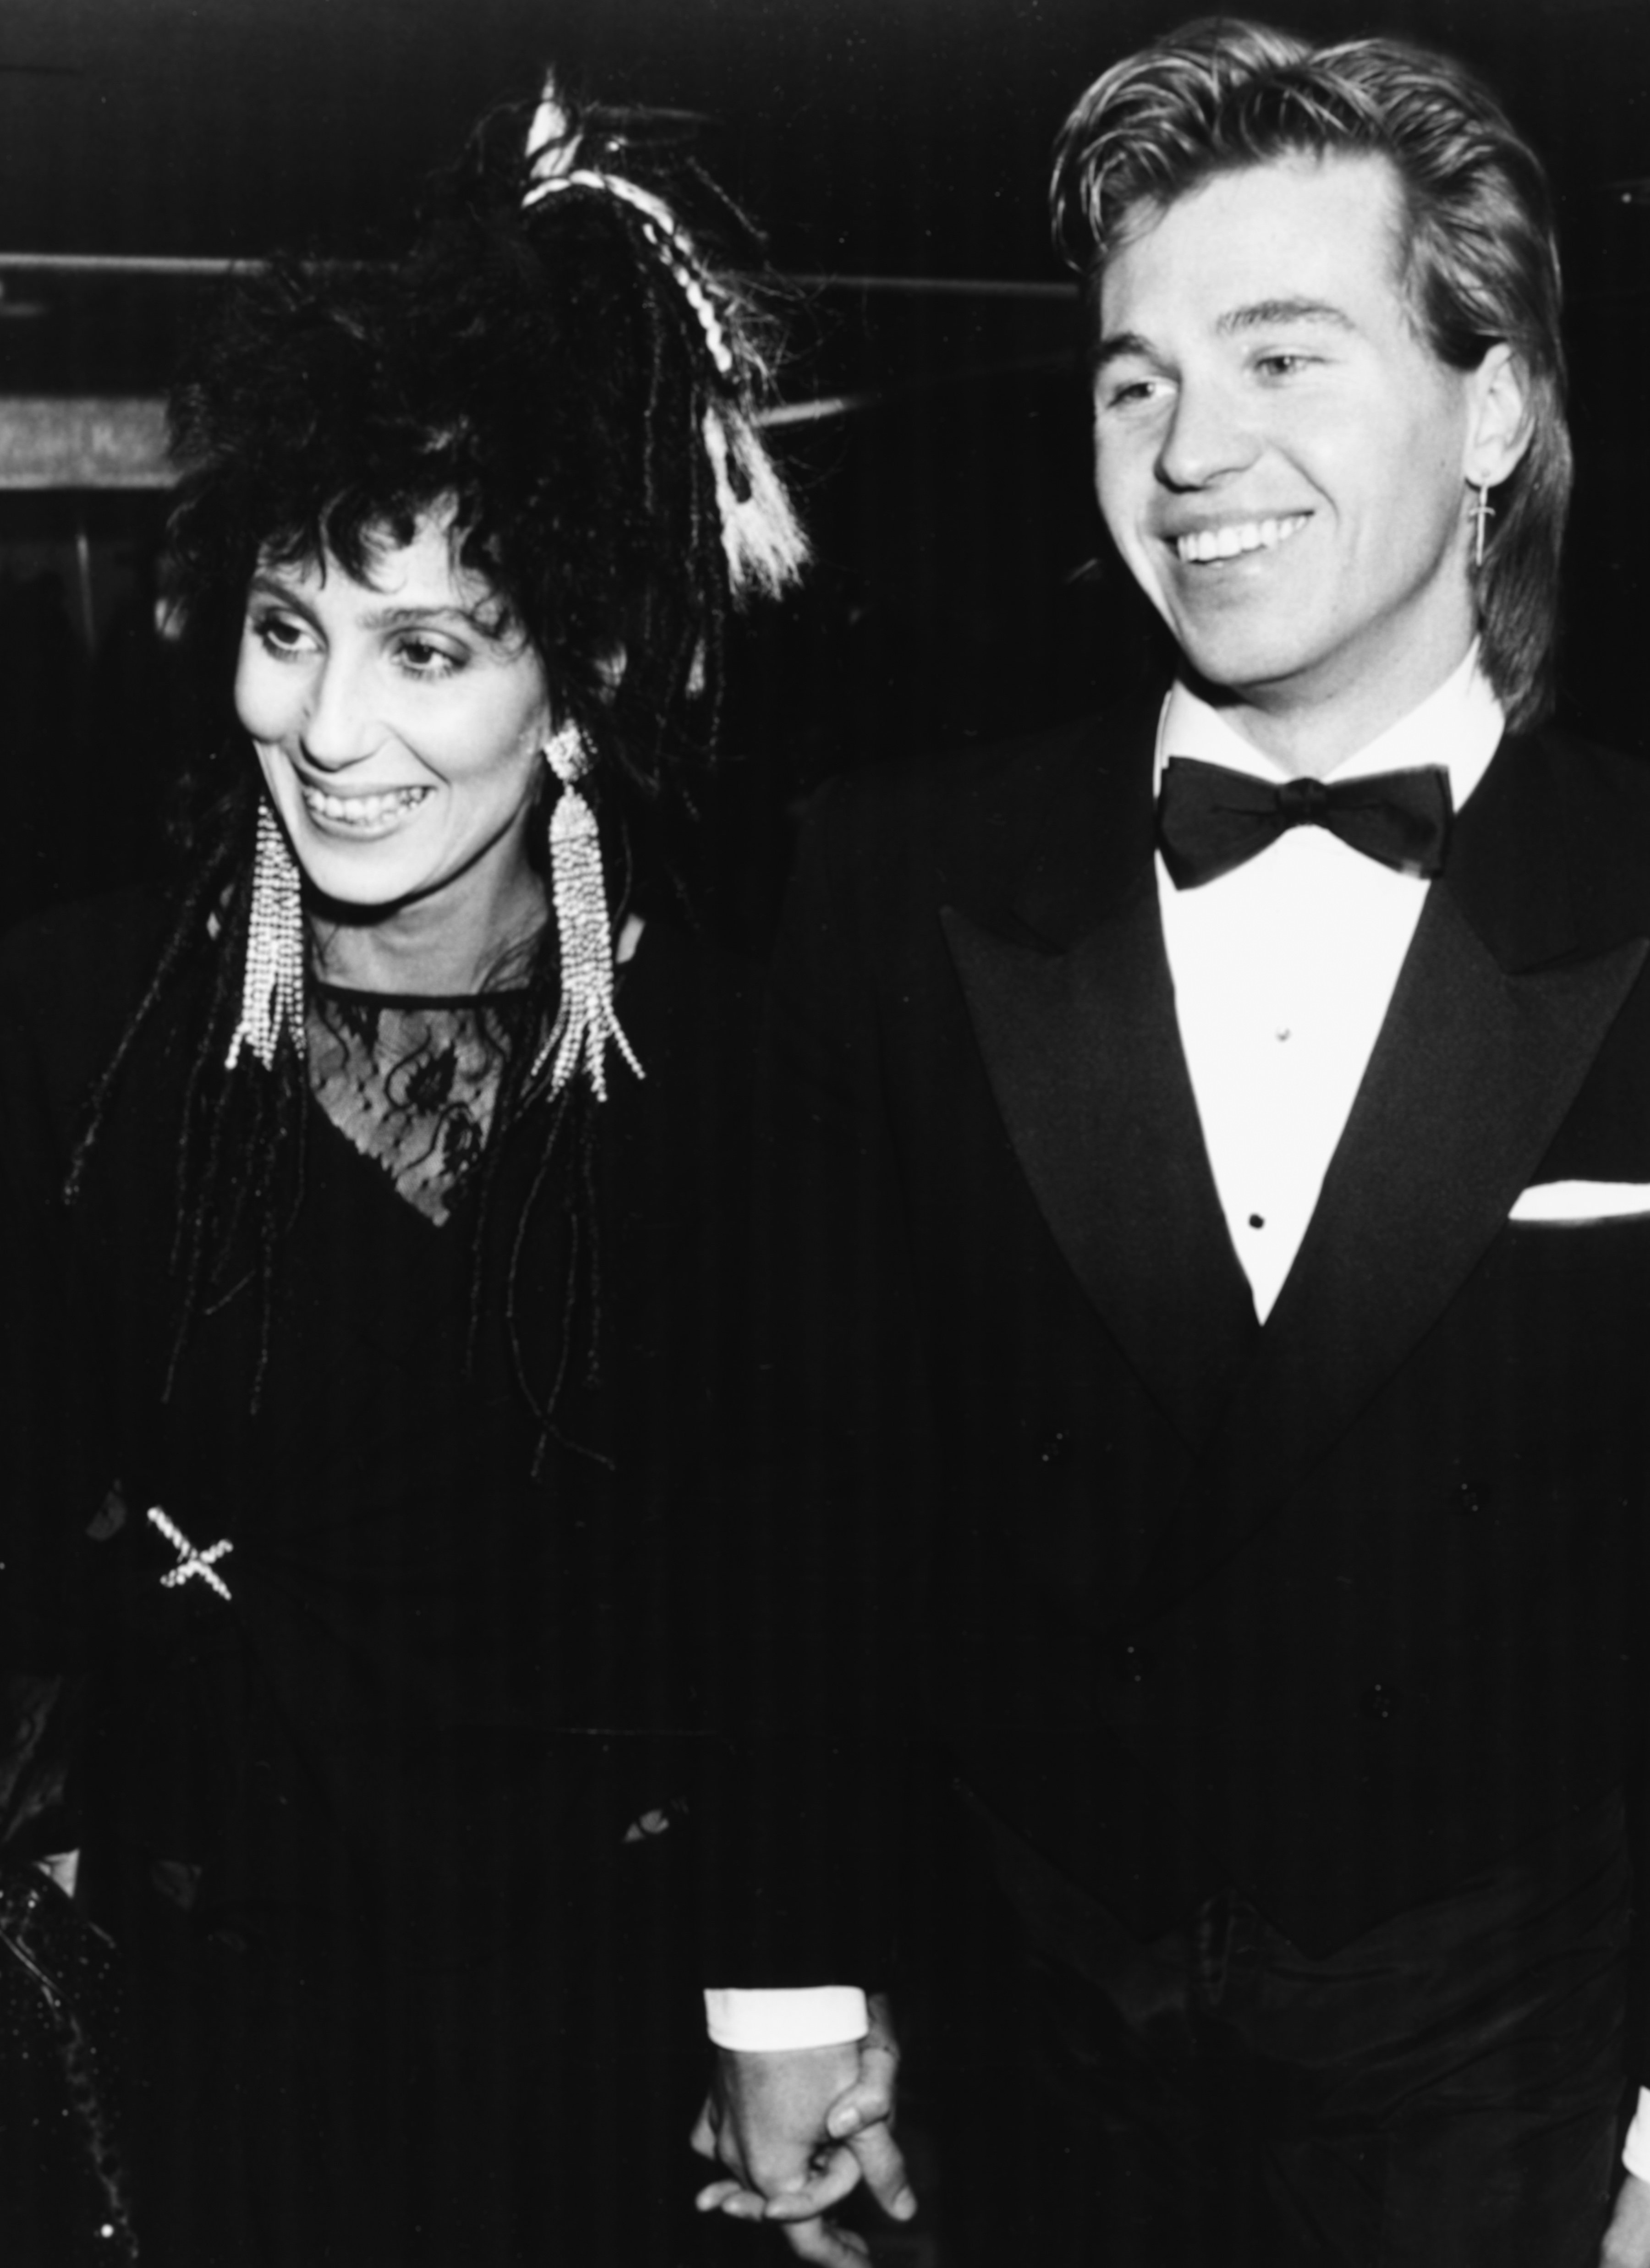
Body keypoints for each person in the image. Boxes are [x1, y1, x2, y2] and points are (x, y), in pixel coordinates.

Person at [692, 20, 1650, 2268]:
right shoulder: (884, 883)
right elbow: (806, 1502)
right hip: (1019, 2089)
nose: (1189, 448)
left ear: (1491, 404)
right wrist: (791, 1986)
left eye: (1282, 354)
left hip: (1508, 2092)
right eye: (1134, 380)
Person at [0, 67, 805, 2268]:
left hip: (592, 2059)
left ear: (585, 676)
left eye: (426, 646)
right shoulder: (67, 1033)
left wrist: (790, 1999)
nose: (329, 726)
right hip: (194, 2045)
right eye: (288, 629)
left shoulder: (742, 1072)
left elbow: (798, 1594)